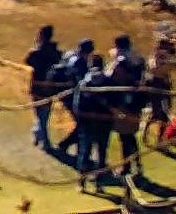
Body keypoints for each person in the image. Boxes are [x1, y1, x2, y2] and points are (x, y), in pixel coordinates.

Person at [73, 55, 112, 190]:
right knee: (101, 154)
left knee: (84, 153)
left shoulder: (84, 83)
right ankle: (99, 183)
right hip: (103, 124)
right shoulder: (109, 82)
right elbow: (114, 104)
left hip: (87, 124)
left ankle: (81, 183)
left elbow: (76, 107)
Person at [108, 50, 146, 175]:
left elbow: (139, 102)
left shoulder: (132, 85)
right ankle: (133, 165)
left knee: (128, 141)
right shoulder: (118, 82)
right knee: (126, 140)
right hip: (123, 118)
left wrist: (130, 113)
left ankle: (130, 166)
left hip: (130, 117)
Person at [55, 39, 96, 153]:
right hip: (73, 98)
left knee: (81, 125)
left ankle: (68, 146)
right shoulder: (80, 63)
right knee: (83, 125)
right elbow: (80, 82)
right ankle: (66, 145)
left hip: (67, 95)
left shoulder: (71, 57)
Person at [24, 25, 62, 150]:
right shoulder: (56, 51)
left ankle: (44, 141)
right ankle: (38, 135)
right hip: (50, 88)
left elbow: (28, 61)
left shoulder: (37, 52)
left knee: (41, 116)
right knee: (43, 115)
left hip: (38, 87)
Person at [143, 37, 176, 142]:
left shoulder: (161, 56)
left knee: (163, 112)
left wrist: (172, 50)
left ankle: (157, 137)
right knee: (159, 112)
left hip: (161, 83)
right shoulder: (157, 57)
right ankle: (150, 135)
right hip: (158, 84)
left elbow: (174, 65)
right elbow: (158, 69)